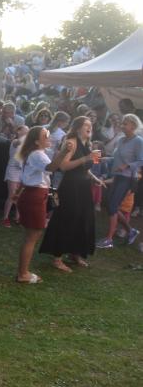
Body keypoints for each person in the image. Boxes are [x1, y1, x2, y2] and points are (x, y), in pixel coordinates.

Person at [39, 117, 102, 272]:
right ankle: (57, 257)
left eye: (91, 125)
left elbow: (86, 168)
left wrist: (95, 178)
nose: (89, 127)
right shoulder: (71, 141)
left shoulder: (88, 143)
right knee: (67, 217)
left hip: (84, 187)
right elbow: (63, 166)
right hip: (70, 186)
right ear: (78, 127)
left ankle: (75, 252)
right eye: (86, 125)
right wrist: (86, 158)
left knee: (83, 218)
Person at [13, 127, 72, 283]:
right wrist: (65, 151)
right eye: (46, 136)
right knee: (32, 237)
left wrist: (18, 192)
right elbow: (52, 167)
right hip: (34, 197)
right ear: (37, 141)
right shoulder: (38, 155)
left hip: (32, 195)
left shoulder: (34, 154)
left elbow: (27, 175)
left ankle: (23, 271)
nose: (49, 138)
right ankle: (23, 273)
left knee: (30, 236)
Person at [96, 114, 143, 248]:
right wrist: (106, 159)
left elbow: (141, 161)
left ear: (133, 126)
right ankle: (131, 231)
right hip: (117, 176)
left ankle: (109, 239)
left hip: (127, 178)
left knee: (112, 207)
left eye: (125, 123)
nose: (122, 126)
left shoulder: (138, 141)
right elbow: (116, 158)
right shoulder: (121, 140)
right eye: (122, 123)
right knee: (112, 206)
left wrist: (127, 166)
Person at [2, 125, 28, 227]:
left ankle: (17, 217)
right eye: (24, 131)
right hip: (13, 169)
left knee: (19, 196)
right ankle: (5, 218)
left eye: (28, 131)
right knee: (12, 195)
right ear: (18, 131)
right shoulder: (15, 141)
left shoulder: (27, 145)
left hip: (22, 171)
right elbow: (18, 143)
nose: (26, 133)